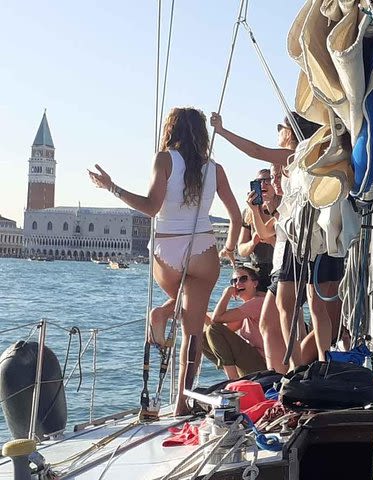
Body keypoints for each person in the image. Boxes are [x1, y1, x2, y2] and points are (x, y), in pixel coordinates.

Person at [88, 107, 242, 415]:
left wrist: (112, 187)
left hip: (167, 250)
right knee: (193, 331)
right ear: (200, 133)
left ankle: (160, 312)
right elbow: (236, 217)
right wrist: (231, 246)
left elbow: (150, 207)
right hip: (203, 248)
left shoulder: (165, 159)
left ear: (171, 130)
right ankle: (183, 402)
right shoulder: (217, 169)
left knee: (184, 311)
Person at [211, 112, 342, 371]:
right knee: (317, 306)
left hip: (299, 239)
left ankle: (293, 369)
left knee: (285, 306)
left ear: (291, 133)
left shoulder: (296, 154)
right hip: (322, 238)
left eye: (279, 127)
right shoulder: (320, 154)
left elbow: (256, 150)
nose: (277, 132)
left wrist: (224, 132)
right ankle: (324, 362)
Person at [203, 266, 267, 379]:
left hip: (263, 365)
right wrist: (196, 313)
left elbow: (216, 320)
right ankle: (234, 375)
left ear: (255, 283)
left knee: (213, 330)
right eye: (234, 281)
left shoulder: (258, 302)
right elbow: (222, 331)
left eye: (243, 279)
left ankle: (233, 380)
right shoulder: (246, 310)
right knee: (202, 338)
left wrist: (226, 294)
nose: (238, 283)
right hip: (252, 363)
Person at [237, 169, 279, 291]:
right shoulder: (249, 212)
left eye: (267, 180)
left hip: (278, 266)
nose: (263, 184)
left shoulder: (281, 209)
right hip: (258, 269)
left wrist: (271, 241)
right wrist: (252, 242)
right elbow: (241, 250)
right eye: (259, 181)